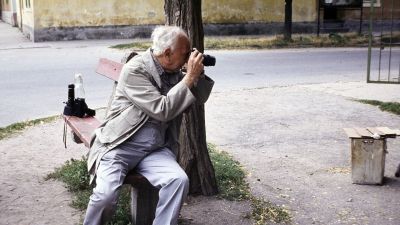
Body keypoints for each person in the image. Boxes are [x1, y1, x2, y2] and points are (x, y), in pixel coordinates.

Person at [83, 25, 214, 225]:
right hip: (120, 145)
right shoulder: (136, 69)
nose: (189, 57)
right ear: (168, 53)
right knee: (105, 196)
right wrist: (189, 78)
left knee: (178, 180)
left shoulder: (174, 71)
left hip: (155, 150)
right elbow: (163, 109)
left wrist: (198, 76)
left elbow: (199, 98)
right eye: (185, 53)